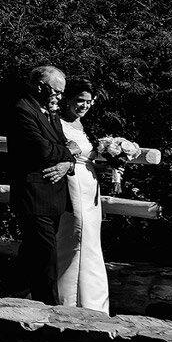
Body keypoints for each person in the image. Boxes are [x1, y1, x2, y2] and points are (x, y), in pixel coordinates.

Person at [3, 65, 80, 304]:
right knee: (46, 253)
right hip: (33, 192)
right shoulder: (21, 110)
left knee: (33, 251)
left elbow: (60, 143)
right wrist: (69, 152)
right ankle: (49, 305)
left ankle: (9, 293)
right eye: (56, 91)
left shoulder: (50, 111)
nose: (59, 97)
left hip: (53, 193)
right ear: (39, 86)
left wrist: (67, 160)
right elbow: (41, 149)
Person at [55, 78, 110, 313]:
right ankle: (68, 299)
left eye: (88, 102)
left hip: (90, 183)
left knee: (90, 240)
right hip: (72, 181)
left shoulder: (85, 126)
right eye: (79, 100)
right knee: (75, 234)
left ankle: (93, 301)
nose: (84, 106)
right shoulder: (57, 123)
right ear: (67, 99)